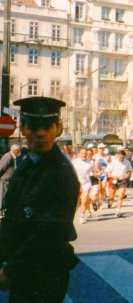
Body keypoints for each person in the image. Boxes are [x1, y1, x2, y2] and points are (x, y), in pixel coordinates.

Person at [0, 96, 80, 302]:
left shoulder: (62, 173)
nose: (41, 133)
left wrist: (10, 270)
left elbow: (48, 233)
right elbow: (11, 216)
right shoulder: (26, 162)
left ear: (57, 128)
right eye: (34, 126)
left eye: (47, 126)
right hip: (23, 267)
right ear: (23, 128)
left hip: (45, 271)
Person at [105, 150, 133, 218]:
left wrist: (128, 175)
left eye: (123, 157)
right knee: (112, 196)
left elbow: (130, 171)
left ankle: (118, 211)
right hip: (113, 180)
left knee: (121, 195)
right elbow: (107, 172)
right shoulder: (113, 162)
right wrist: (112, 176)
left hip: (122, 180)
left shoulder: (127, 162)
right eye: (120, 157)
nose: (121, 159)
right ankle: (110, 200)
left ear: (125, 157)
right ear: (117, 156)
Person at [0, 144, 21, 209]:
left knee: (5, 197)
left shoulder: (12, 156)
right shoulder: (8, 157)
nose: (20, 153)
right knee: (2, 197)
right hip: (4, 181)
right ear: (16, 151)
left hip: (9, 181)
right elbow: (1, 168)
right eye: (19, 151)